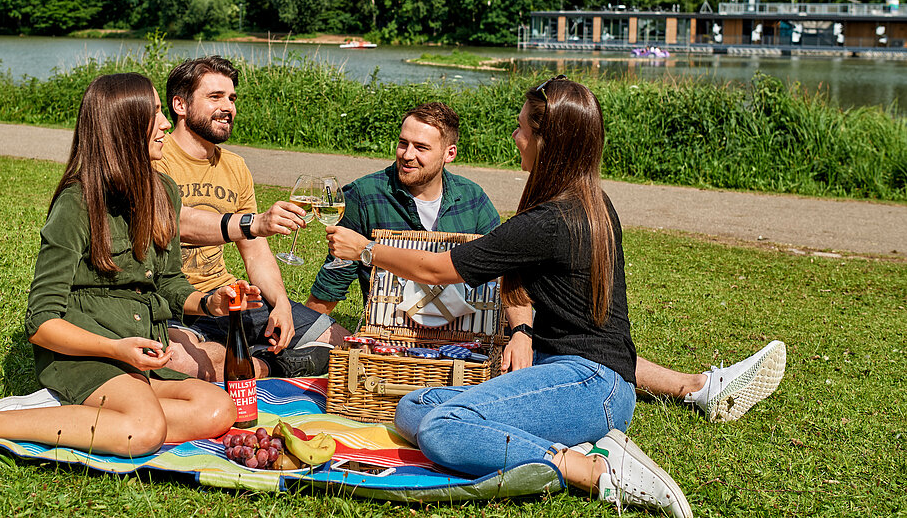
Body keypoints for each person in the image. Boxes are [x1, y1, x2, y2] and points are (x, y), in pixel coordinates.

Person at [326, 78, 692, 516]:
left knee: (442, 429)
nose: (515, 137)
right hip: (573, 375)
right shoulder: (590, 200)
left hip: (591, 383)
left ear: (546, 141)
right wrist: (520, 330)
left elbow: (437, 270)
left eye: (521, 129)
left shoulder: (550, 220)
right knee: (412, 408)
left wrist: (365, 249)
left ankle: (594, 469)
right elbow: (514, 279)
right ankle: (569, 444)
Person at [308, 101, 786, 423]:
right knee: (578, 353)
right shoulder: (367, 194)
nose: (406, 154)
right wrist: (313, 325)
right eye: (402, 143)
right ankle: (699, 388)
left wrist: (518, 329)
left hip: (481, 331)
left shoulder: (482, 201)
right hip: (406, 334)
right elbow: (336, 273)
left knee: (438, 411)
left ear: (449, 153)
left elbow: (474, 269)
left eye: (421, 147)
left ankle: (693, 389)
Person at [0, 73, 285, 466]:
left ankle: (74, 413)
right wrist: (115, 348)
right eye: (153, 114)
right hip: (86, 352)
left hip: (139, 350)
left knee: (218, 409)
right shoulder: (77, 203)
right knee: (143, 433)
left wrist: (211, 302)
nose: (166, 123)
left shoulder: (163, 191)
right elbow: (41, 321)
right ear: (124, 127)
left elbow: (167, 283)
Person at [155, 56, 348, 380]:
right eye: (215, 97)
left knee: (343, 343)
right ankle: (272, 365)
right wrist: (252, 223)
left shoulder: (235, 167)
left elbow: (255, 250)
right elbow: (175, 221)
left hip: (232, 297)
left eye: (231, 98)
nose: (227, 106)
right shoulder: (159, 157)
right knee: (179, 364)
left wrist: (281, 304)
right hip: (179, 304)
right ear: (180, 104)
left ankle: (242, 359)